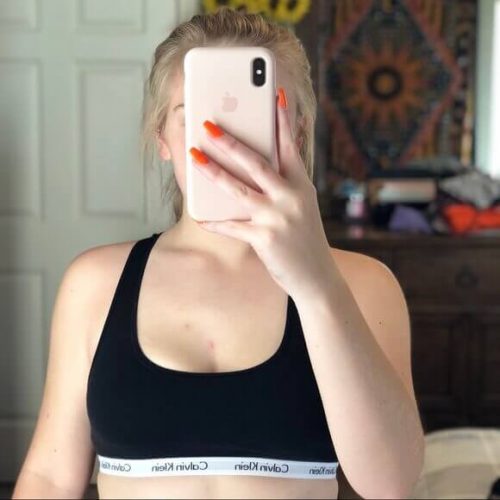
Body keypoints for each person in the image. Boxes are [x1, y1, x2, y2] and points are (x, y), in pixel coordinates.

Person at [12, 7, 424, 500]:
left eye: (253, 119)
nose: (227, 143)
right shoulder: (95, 283)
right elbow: (50, 477)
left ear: (297, 134)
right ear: (163, 138)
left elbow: (390, 484)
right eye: (198, 118)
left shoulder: (362, 284)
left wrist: (317, 287)